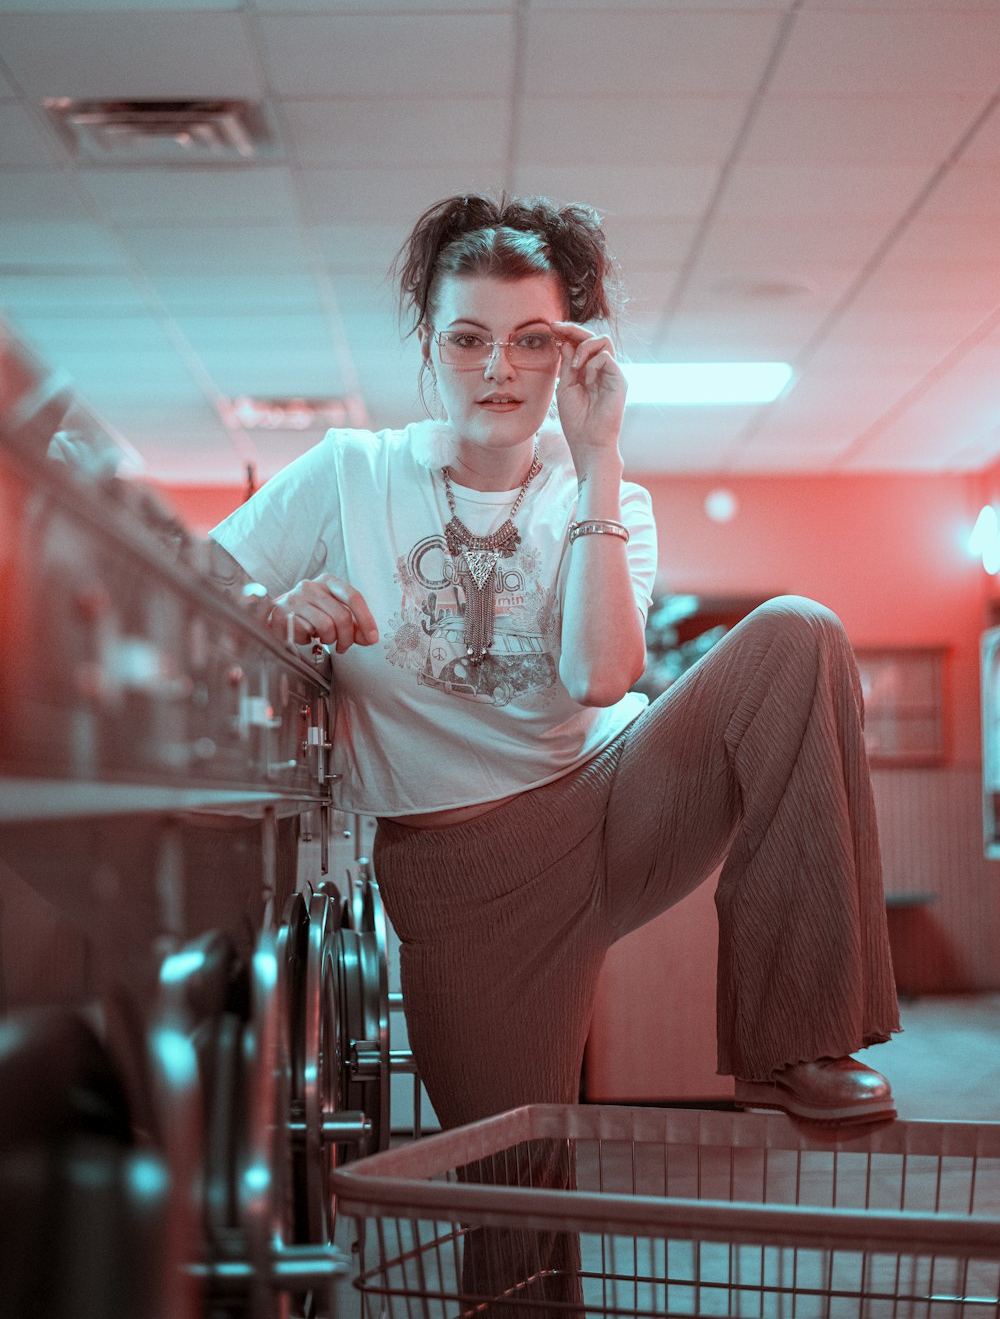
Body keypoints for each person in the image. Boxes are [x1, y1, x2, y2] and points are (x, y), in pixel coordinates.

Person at [210, 192, 900, 1136]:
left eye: (532, 340)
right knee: (512, 1197)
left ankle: (797, 1045)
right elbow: (187, 595)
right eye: (467, 340)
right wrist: (269, 610)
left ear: (573, 351)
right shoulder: (350, 474)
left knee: (797, 631)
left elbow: (601, 678)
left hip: (619, 799)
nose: (497, 370)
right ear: (427, 343)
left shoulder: (610, 495)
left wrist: (599, 454)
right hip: (462, 873)